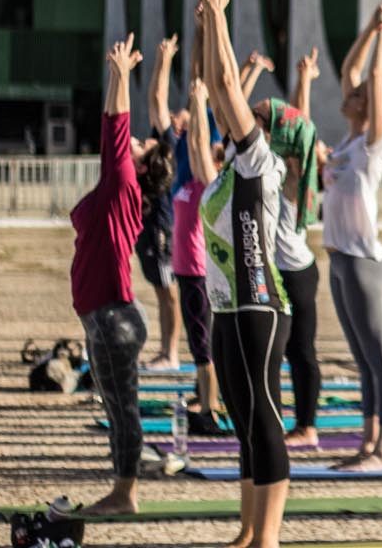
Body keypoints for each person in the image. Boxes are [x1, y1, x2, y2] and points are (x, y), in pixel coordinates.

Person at [198, 0, 319, 548]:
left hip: (259, 305)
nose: (238, 115)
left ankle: (268, 538)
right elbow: (215, 85)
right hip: (227, 307)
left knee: (264, 414)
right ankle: (247, 532)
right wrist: (206, 23)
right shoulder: (231, 167)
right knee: (244, 418)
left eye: (250, 118)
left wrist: (222, 16)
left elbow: (225, 82)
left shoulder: (258, 165)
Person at [64, 33, 172, 516]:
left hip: (113, 319)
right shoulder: (117, 181)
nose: (136, 137)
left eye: (144, 144)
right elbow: (113, 126)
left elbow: (116, 125)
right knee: (115, 407)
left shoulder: (125, 181)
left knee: (122, 410)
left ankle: (124, 494)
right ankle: (122, 489)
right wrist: (114, 74)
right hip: (104, 317)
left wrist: (124, 75)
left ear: (143, 166)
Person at [323, 0, 382, 471]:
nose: (350, 93)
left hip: (362, 261)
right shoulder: (346, 141)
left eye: (358, 96)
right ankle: (366, 444)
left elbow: (372, 78)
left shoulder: (372, 145)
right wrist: (370, 26)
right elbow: (351, 67)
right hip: (338, 259)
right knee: (360, 358)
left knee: (381, 359)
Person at [280, 45, 326, 446]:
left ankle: (307, 426)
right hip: (282, 270)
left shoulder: (295, 179)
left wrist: (305, 85)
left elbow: (302, 127)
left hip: (298, 273)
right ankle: (285, 422)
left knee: (301, 351)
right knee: (280, 351)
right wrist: (303, 80)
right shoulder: (275, 169)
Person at [178, 74, 224, 435]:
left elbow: (201, 140)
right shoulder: (193, 182)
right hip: (186, 271)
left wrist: (199, 104)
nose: (203, 155)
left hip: (196, 271)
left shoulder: (210, 187)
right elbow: (195, 143)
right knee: (198, 342)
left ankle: (210, 407)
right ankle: (207, 399)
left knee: (202, 345)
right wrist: (196, 103)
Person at [140, 35, 184, 369]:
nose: (172, 113)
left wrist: (164, 57)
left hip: (162, 230)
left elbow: (156, 96)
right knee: (162, 291)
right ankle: (166, 351)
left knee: (169, 293)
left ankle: (171, 353)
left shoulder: (172, 145)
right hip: (155, 228)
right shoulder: (168, 147)